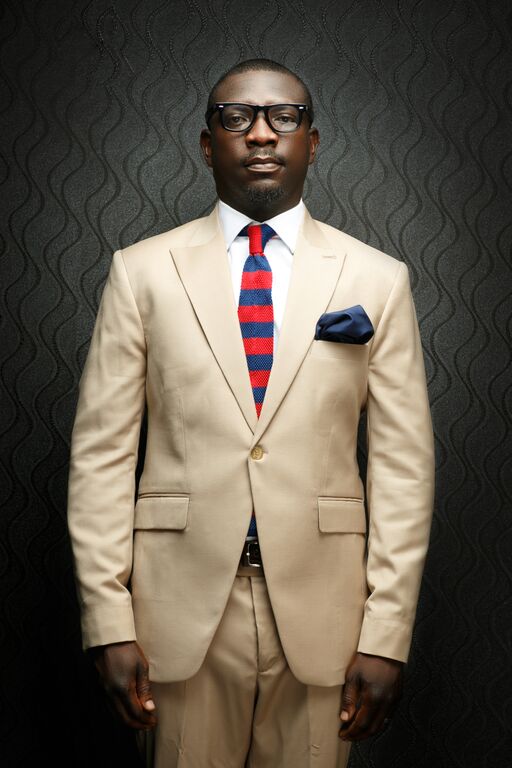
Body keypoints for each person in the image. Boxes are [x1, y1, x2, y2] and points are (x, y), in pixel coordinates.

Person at [67, 59, 435, 768]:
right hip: (176, 612)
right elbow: (101, 457)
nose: (261, 134)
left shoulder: (378, 279)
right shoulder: (141, 272)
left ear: (312, 142)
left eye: (283, 117)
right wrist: (108, 622)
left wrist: (386, 634)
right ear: (209, 145)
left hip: (327, 614)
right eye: (236, 118)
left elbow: (403, 470)